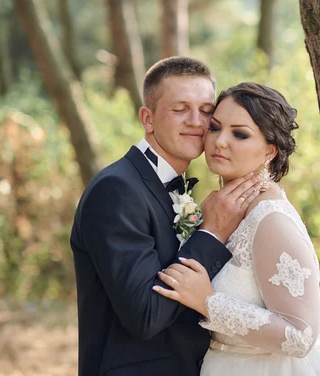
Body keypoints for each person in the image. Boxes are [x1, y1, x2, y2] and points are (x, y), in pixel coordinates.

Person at [70, 57, 262, 376]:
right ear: (148, 118)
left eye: (205, 110)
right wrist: (211, 234)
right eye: (180, 109)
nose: (196, 122)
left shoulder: (174, 186)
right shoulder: (117, 190)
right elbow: (145, 316)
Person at [154, 82, 320, 375]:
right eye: (215, 128)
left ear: (269, 151)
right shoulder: (221, 209)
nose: (220, 141)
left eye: (239, 134)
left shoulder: (270, 218)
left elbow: (301, 337)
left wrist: (208, 302)